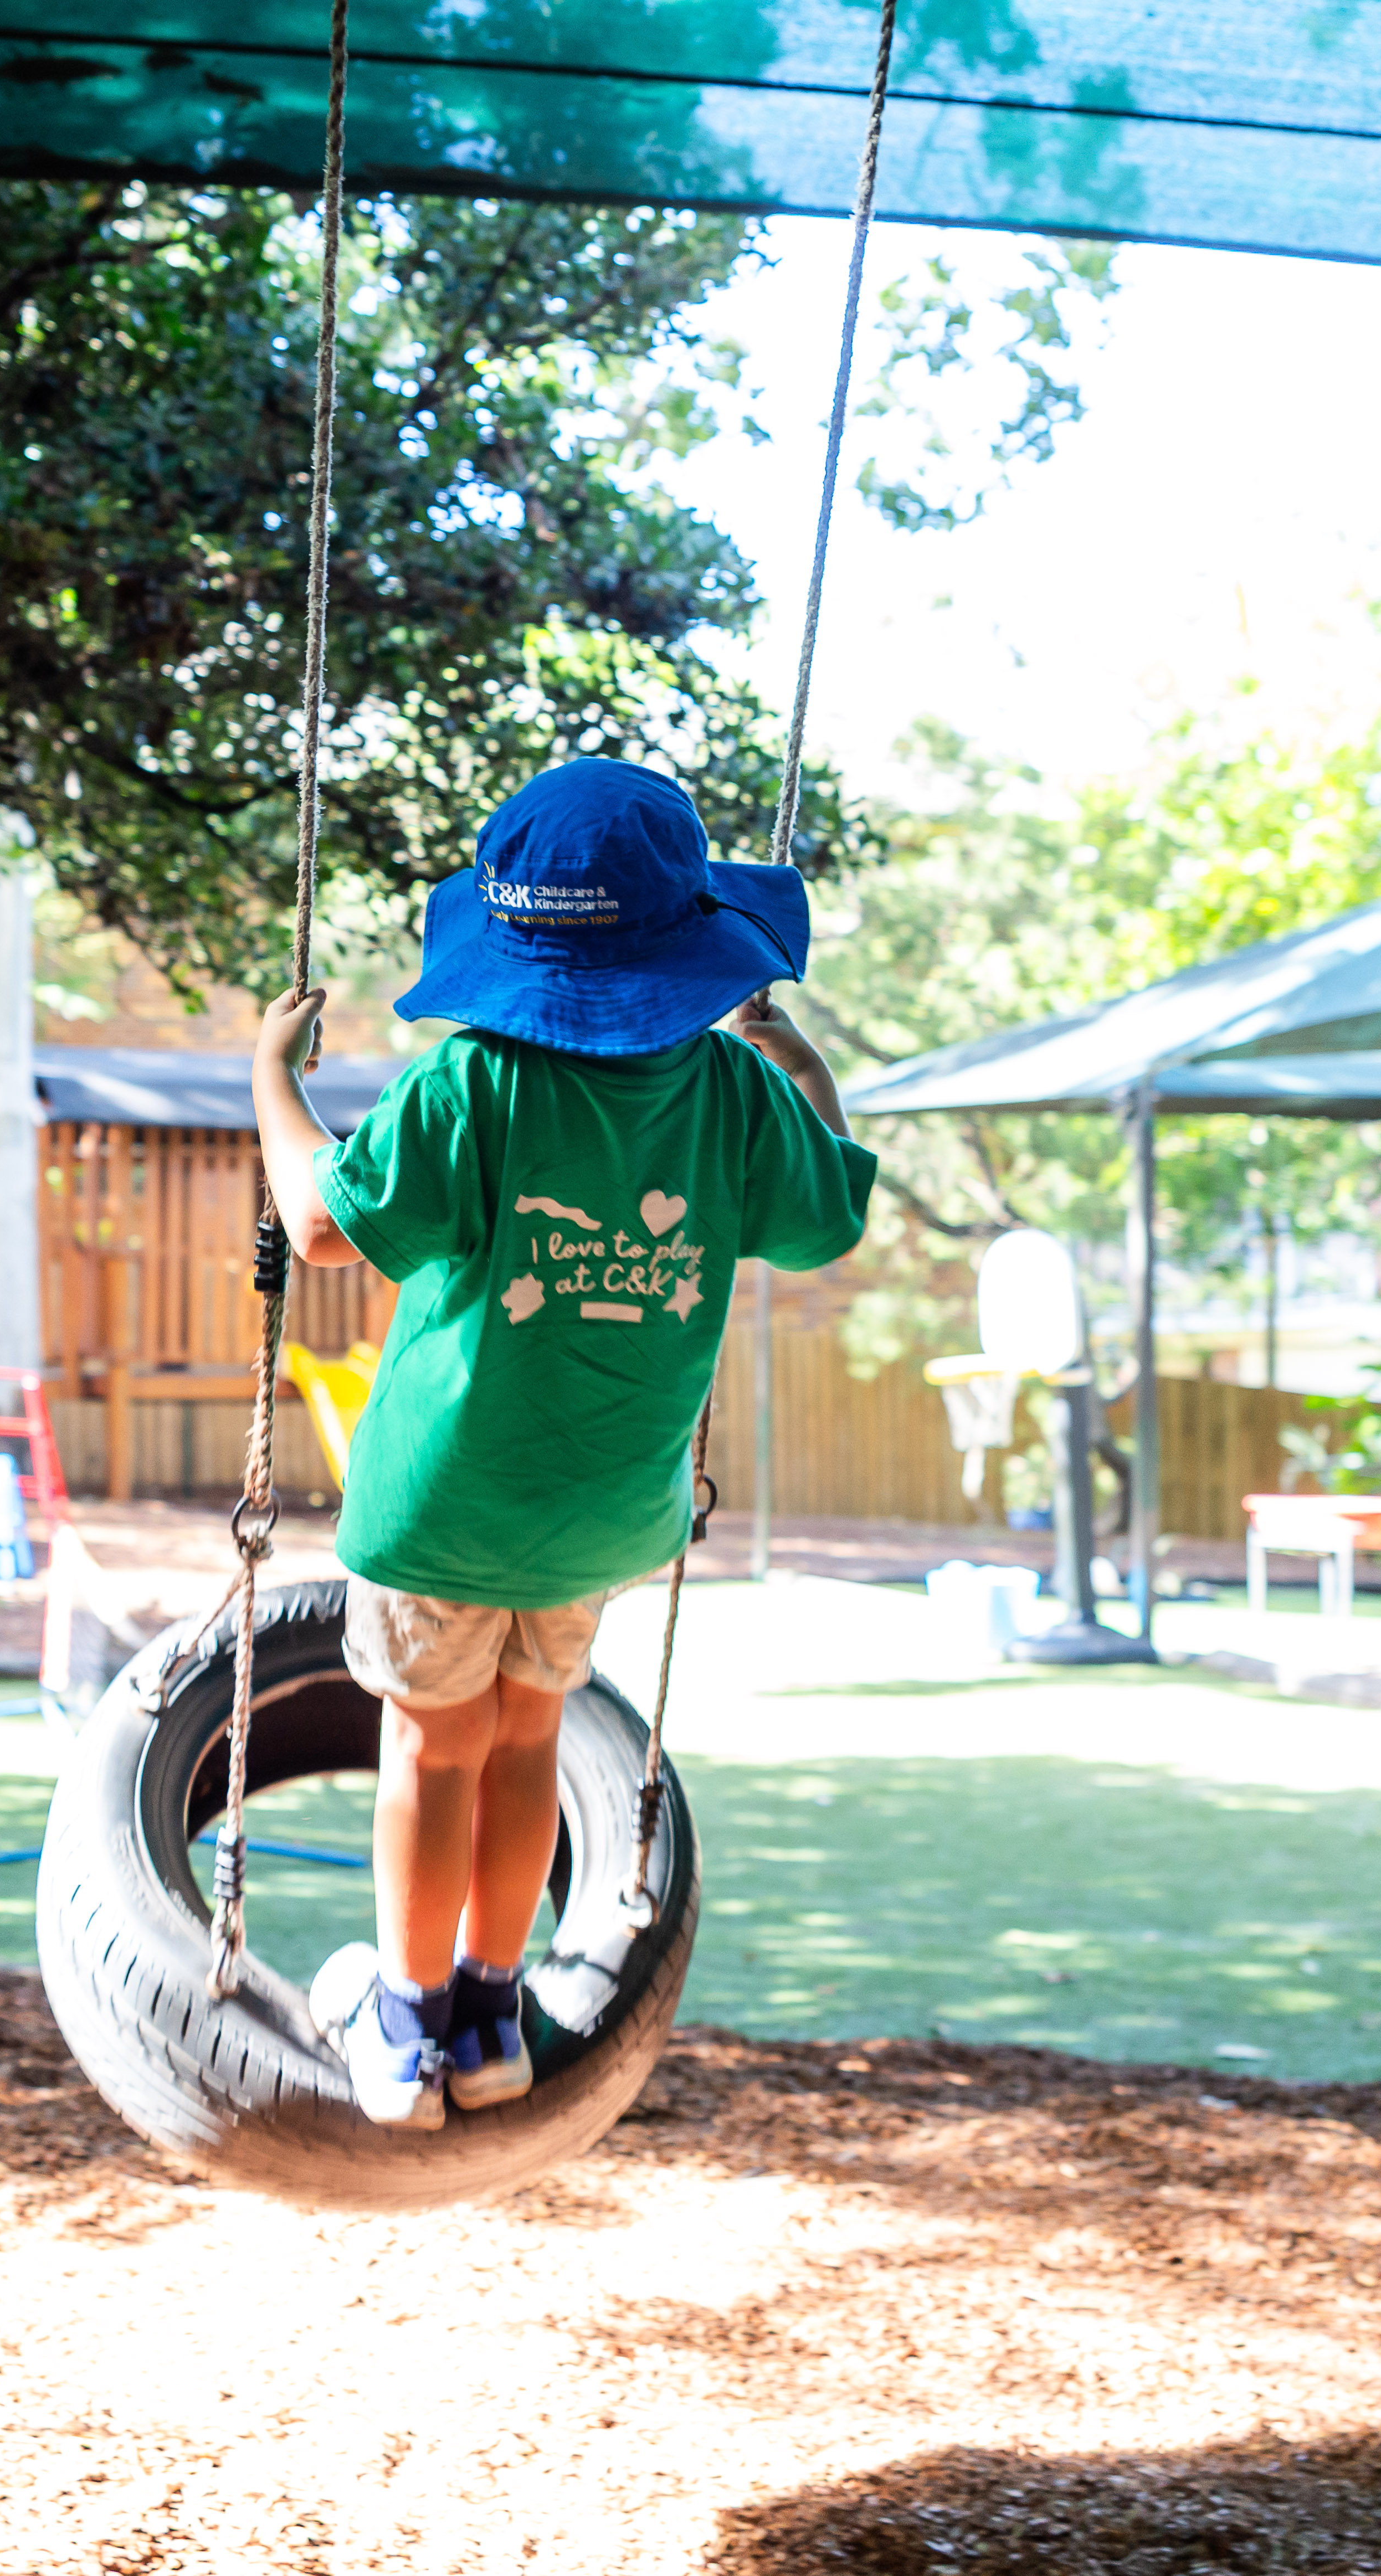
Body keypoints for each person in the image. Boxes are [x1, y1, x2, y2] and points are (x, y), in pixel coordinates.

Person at [254, 758, 871, 2128]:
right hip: (604, 1506)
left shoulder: (470, 1080)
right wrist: (800, 1055)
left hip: (445, 1506)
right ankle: (489, 2018)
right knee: (529, 1738)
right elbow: (829, 1218)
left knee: (432, 1748)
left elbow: (314, 1223)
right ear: (687, 942)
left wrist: (269, 1080)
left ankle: (405, 2034)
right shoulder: (732, 1093)